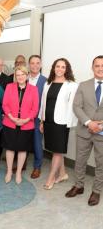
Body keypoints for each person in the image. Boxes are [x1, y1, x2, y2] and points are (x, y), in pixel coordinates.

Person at [65, 55, 103, 206]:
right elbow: (76, 106)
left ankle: (97, 190)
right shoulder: (83, 85)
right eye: (97, 65)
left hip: (102, 131)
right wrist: (89, 122)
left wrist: (100, 125)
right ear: (92, 68)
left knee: (101, 163)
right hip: (84, 130)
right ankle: (78, 186)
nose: (100, 68)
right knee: (80, 161)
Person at [39, 58, 78, 190]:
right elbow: (44, 103)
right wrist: (42, 120)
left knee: (57, 151)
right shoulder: (48, 83)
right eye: (57, 66)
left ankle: (51, 177)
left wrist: (69, 123)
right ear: (53, 68)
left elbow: (73, 106)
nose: (60, 69)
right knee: (56, 150)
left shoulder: (71, 85)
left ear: (67, 69)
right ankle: (62, 174)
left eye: (63, 67)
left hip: (61, 123)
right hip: (48, 121)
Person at [2, 66, 39, 184]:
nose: (20, 77)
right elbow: (5, 105)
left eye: (22, 74)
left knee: (22, 149)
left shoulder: (34, 89)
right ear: (15, 76)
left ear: (27, 75)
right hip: (10, 122)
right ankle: (9, 171)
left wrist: (25, 120)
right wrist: (12, 118)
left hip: (26, 124)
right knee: (10, 148)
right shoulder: (9, 87)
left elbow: (35, 108)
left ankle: (18, 172)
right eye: (18, 75)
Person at [27, 55, 47, 179]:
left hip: (38, 118)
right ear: (29, 65)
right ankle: (21, 164)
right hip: (24, 117)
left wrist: (43, 121)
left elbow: (46, 103)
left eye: (37, 63)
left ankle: (37, 167)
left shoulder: (46, 81)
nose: (35, 65)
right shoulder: (23, 78)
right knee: (22, 141)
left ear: (41, 65)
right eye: (32, 63)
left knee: (37, 143)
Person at [0, 57, 13, 165]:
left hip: (1, 113)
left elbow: (8, 98)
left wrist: (5, 113)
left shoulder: (7, 79)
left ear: (2, 66)